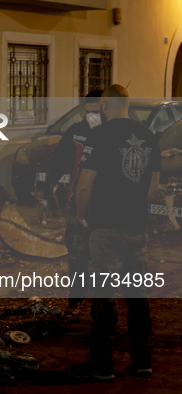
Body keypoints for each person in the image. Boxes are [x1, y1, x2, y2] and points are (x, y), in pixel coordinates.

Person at [68, 84, 161, 380]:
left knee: (105, 295)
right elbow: (153, 188)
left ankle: (103, 365)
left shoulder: (99, 135)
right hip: (136, 225)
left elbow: (85, 185)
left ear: (105, 106)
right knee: (137, 294)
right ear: (128, 105)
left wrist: (82, 217)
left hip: (105, 225)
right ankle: (143, 361)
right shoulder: (149, 137)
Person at [44, 90, 103, 309]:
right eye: (88, 112)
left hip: (108, 205)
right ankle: (77, 295)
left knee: (102, 254)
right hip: (78, 202)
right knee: (77, 251)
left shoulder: (115, 134)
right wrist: (48, 190)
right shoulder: (76, 131)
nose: (92, 116)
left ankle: (102, 300)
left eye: (96, 111)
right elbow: (58, 161)